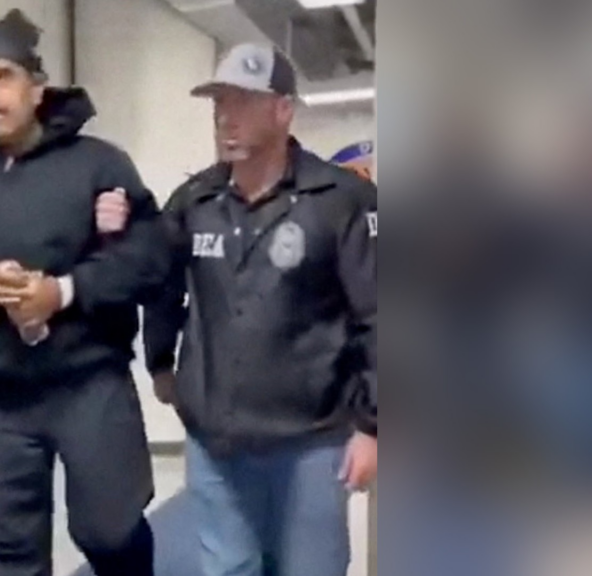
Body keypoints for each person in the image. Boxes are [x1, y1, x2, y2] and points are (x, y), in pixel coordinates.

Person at [0, 9, 166, 576]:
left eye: (2, 77)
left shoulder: (98, 165)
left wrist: (64, 291)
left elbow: (149, 258)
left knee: (111, 529)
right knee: (5, 551)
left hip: (89, 381)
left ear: (37, 88)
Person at [142, 44, 378, 576]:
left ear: (283, 110)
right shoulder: (194, 201)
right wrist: (160, 362)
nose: (226, 117)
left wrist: (373, 426)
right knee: (228, 568)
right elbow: (161, 286)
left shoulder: (339, 201)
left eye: (244, 102)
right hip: (216, 440)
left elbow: (378, 317)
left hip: (312, 440)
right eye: (220, 103)